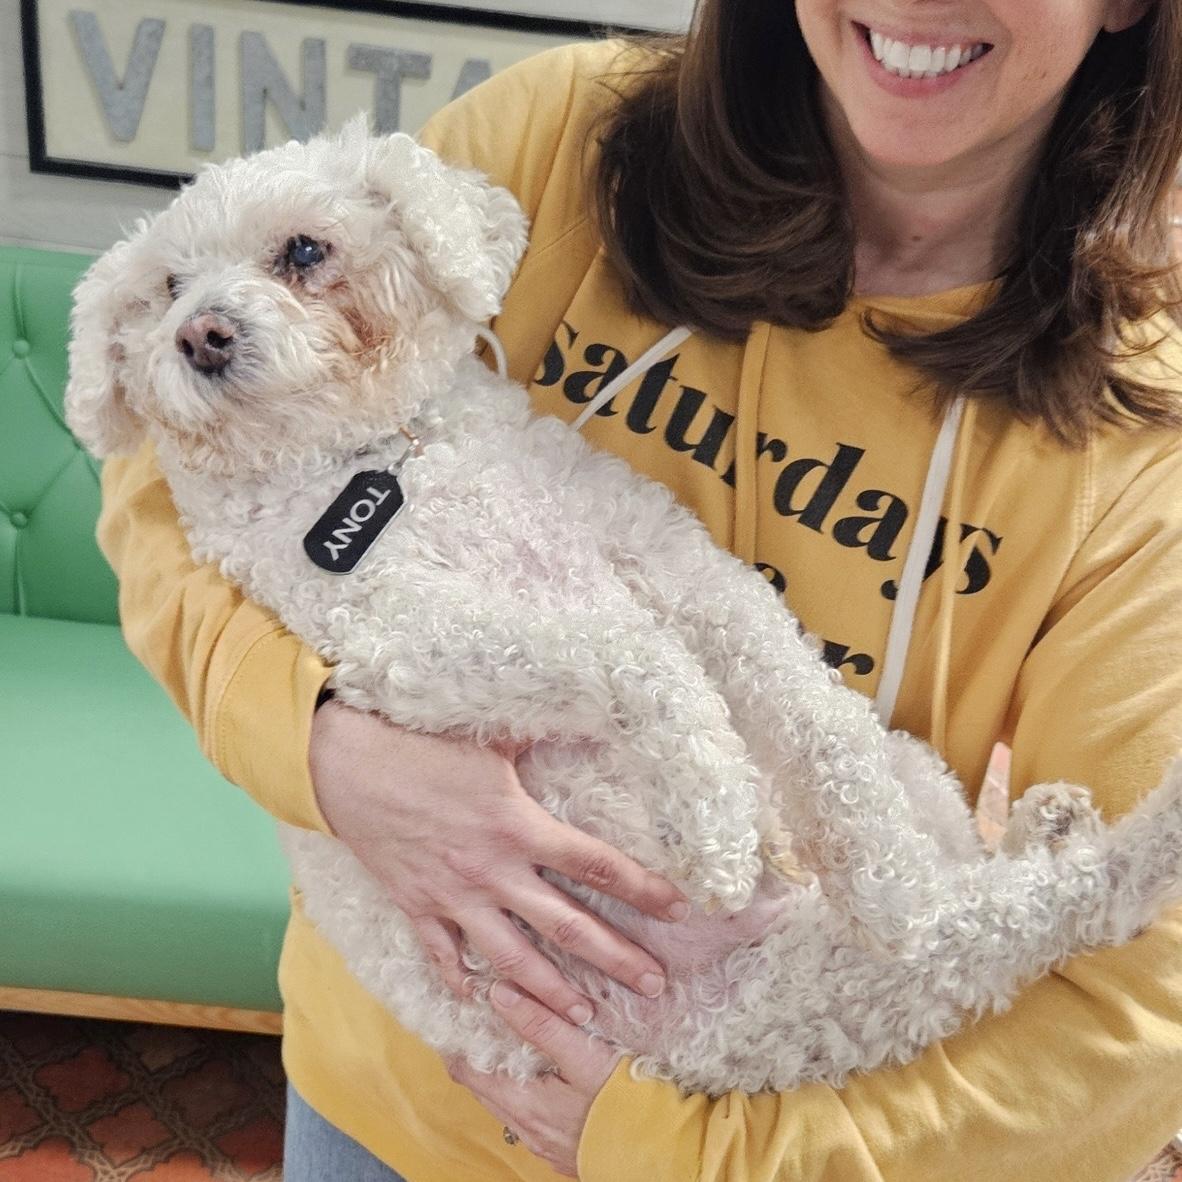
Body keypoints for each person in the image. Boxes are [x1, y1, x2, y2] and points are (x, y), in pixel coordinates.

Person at [95, 0, 1182, 1177]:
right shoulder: (567, 136)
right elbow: (170, 480)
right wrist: (322, 746)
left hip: (765, 1103)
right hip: (388, 1105)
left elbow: (1144, 995)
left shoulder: (1146, 433)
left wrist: (685, 1148)